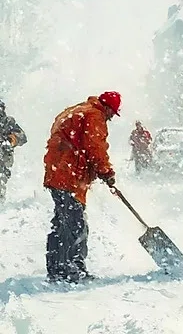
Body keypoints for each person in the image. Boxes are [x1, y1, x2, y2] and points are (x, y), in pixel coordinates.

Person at [43, 91, 120, 283]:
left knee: (63, 223)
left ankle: (58, 268)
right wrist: (106, 172)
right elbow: (95, 147)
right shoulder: (94, 116)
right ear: (109, 108)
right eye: (113, 113)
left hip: (58, 174)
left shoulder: (77, 110)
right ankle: (71, 269)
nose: (111, 118)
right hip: (69, 177)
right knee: (75, 225)